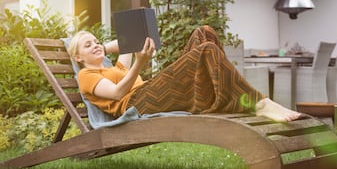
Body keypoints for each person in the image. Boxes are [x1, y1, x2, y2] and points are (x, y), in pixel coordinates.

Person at [68, 25, 301, 122]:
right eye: (87, 46)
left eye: (96, 41)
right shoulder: (86, 75)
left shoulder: (113, 68)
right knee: (207, 50)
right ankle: (259, 103)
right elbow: (118, 93)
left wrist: (100, 47)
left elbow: (129, 41)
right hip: (136, 103)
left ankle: (216, 97)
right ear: (78, 58)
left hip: (149, 94)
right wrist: (139, 63)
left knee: (204, 33)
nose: (96, 45)